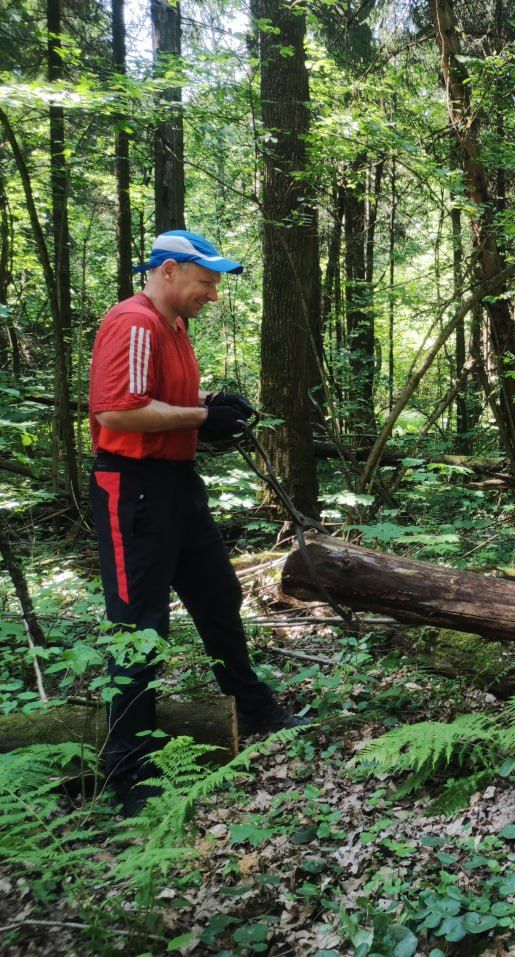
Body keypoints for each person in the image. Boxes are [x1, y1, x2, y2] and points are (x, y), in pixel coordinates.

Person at [88, 230, 306, 815]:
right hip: (131, 490)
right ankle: (127, 770)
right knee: (140, 626)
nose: (212, 293)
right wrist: (200, 416)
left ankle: (254, 708)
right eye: (205, 281)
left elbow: (159, 398)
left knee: (217, 593)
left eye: (214, 283)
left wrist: (214, 405)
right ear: (169, 271)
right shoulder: (134, 322)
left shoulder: (173, 327)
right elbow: (115, 409)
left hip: (177, 488)